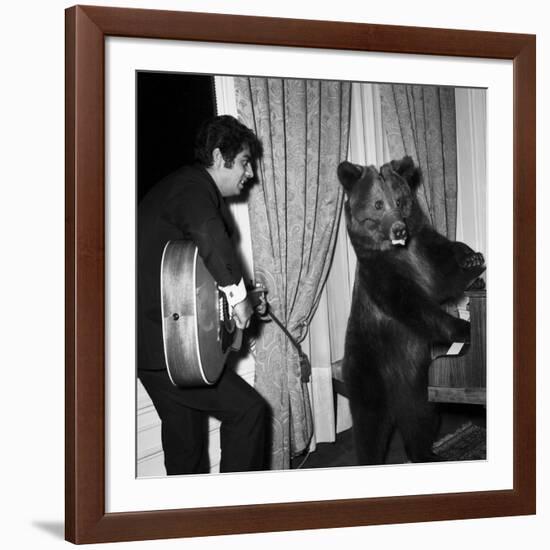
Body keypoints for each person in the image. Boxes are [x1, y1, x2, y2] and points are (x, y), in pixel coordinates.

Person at [137, 115, 267, 475]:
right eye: (244, 162)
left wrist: (244, 299)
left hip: (156, 349)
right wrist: (239, 298)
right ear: (218, 156)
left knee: (186, 448)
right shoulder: (192, 187)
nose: (250, 173)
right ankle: (232, 515)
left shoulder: (180, 190)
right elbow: (208, 233)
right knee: (248, 412)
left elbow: (191, 282)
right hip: (165, 352)